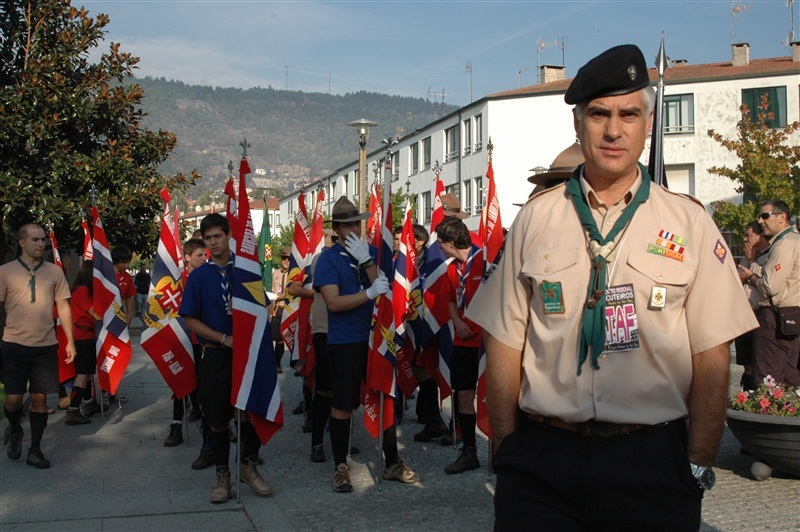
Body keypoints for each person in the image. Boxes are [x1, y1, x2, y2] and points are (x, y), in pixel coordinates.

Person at [467, 44, 758, 530]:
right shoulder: (538, 217)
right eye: (598, 113)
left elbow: (712, 355)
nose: (613, 128)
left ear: (647, 123)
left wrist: (697, 463)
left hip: (649, 463)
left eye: (629, 113)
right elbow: (503, 339)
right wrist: (508, 447)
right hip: (543, 461)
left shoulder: (689, 222)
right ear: (578, 124)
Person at [314, 196, 419, 493]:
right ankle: (340, 467)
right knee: (343, 405)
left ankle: (391, 462)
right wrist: (368, 293)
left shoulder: (372, 252)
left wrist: (368, 262)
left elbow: (385, 288)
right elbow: (333, 303)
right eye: (346, 225)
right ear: (336, 229)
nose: (353, 230)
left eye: (356, 224)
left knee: (384, 399)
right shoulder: (328, 260)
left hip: (376, 338)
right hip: (345, 341)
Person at [179, 214, 272, 503]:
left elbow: (262, 307)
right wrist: (223, 338)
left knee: (251, 411)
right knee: (217, 418)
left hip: (247, 355)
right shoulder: (199, 276)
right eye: (207, 239)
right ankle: (223, 476)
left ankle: (247, 464)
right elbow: (190, 319)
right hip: (216, 355)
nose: (212, 243)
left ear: (228, 235)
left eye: (217, 236)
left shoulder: (245, 270)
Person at [1, 224, 77, 468]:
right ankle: (14, 429)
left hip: (45, 346)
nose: (40, 244)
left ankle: (35, 449)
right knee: (13, 399)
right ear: (21, 242)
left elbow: (64, 306)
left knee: (40, 399)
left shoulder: (54, 272)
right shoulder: (5, 272)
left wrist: (70, 341)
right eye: (35, 240)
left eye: (43, 240)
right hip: (14, 344)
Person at [436, 215, 484, 474]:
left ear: (451, 242)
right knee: (464, 396)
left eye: (440, 243)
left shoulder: (485, 261)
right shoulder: (451, 268)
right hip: (462, 340)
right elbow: (451, 302)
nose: (439, 248)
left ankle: (501, 449)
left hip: (486, 343)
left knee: (493, 396)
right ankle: (469, 451)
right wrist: (457, 322)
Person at [738, 199, 800, 386]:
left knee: (767, 381)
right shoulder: (793, 241)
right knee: (789, 382)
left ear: (782, 217)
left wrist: (750, 277)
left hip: (775, 318)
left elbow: (770, 286)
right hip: (790, 317)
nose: (760, 221)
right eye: (759, 217)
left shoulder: (784, 244)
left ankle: (765, 415)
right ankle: (786, 414)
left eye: (765, 216)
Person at [164, 238, 205, 448]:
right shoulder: (177, 279)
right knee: (180, 382)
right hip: (182, 338)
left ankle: (213, 425)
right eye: (200, 256)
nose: (204, 259)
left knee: (205, 383)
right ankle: (176, 425)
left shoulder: (208, 276)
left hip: (202, 340)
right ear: (187, 257)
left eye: (205, 255)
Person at [63, 260, 103, 425]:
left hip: (82, 336)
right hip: (83, 337)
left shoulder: (79, 289)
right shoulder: (84, 290)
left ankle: (88, 403)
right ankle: (73, 409)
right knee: (83, 374)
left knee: (85, 374)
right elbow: (96, 314)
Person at [734, 222, 771, 390]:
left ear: (760, 235)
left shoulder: (769, 256)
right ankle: (746, 393)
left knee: (761, 363)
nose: (744, 239)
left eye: (748, 235)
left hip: (761, 314)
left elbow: (767, 285)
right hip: (744, 314)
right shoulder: (745, 257)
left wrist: (752, 263)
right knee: (746, 362)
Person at [271, 247, 290, 373]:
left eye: (289, 259)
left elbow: (290, 293)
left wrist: (279, 296)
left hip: (289, 309)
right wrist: (271, 309)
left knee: (288, 337)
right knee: (276, 338)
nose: (286, 261)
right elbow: (273, 292)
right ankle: (276, 363)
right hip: (277, 309)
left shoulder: (295, 274)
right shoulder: (276, 273)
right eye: (284, 258)